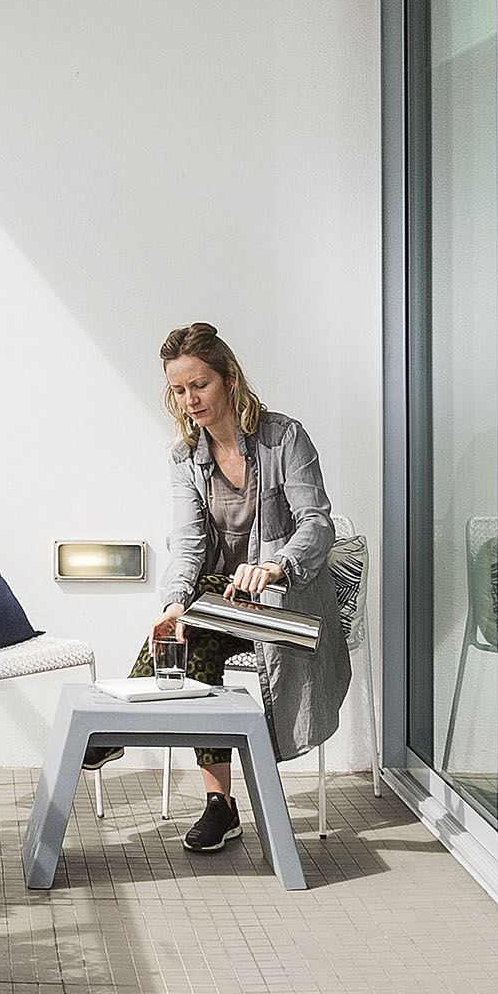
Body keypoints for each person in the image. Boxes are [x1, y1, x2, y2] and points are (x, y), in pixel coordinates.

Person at [143, 320, 338, 856]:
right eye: (178, 390)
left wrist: (275, 566)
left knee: (195, 622)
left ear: (229, 378)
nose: (189, 401)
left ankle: (116, 720)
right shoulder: (185, 458)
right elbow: (187, 544)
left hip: (283, 603)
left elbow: (317, 523)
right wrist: (173, 605)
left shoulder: (285, 438)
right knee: (191, 629)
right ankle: (219, 804)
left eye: (199, 385)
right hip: (221, 608)